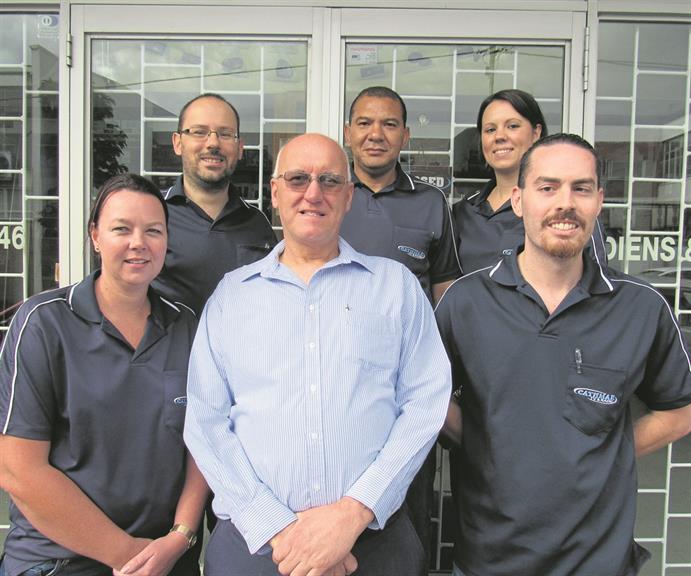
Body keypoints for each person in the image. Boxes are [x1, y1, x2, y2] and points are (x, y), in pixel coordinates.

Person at [184, 133, 451, 576]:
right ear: (275, 193)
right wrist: (281, 531)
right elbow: (205, 419)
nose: (313, 193)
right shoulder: (232, 296)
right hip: (257, 550)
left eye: (329, 180)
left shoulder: (395, 287)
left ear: (348, 197)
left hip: (374, 548)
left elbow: (426, 403)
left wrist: (353, 513)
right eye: (297, 179)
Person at [436, 134, 691, 576]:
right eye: (548, 187)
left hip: (598, 562)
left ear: (599, 202)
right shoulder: (465, 302)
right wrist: (486, 443)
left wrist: (606, 452)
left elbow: (680, 410)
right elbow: (428, 399)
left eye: (581, 188)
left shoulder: (641, 307)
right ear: (519, 201)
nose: (565, 203)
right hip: (488, 559)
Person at [0, 174, 208, 576]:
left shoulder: (185, 326)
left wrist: (180, 536)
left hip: (163, 557)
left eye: (153, 231)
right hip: (59, 561)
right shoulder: (44, 324)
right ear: (95, 235)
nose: (138, 242)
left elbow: (201, 442)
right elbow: (18, 470)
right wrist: (126, 554)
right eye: (121, 229)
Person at [341, 85, 460, 565]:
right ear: (348, 132)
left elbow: (445, 292)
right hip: (338, 384)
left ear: (405, 136)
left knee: (407, 516)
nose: (376, 134)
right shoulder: (326, 194)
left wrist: (444, 378)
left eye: (389, 124)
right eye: (365, 123)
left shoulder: (431, 203)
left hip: (409, 390)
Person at [452, 88, 607, 274]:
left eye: (512, 126)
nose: (499, 136)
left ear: (536, 132)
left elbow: (596, 280)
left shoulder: (565, 208)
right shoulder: (463, 212)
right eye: (490, 129)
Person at [153, 93, 277, 314]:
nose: (213, 143)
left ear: (240, 148)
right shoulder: (153, 216)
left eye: (225, 134)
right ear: (178, 143)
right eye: (199, 132)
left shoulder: (257, 224)